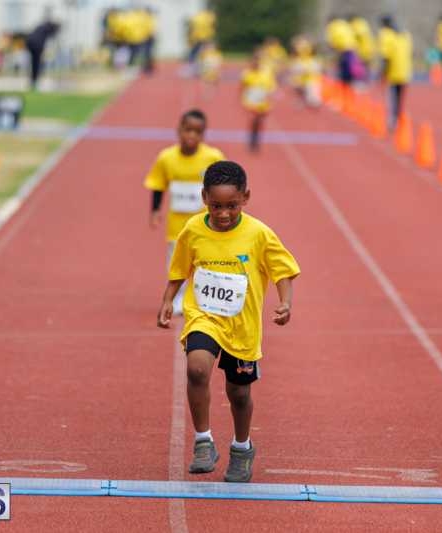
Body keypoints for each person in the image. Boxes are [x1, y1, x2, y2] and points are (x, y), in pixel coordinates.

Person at [157, 160, 300, 483]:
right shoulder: (193, 229)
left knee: (239, 394)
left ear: (245, 198)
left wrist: (286, 302)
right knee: (196, 368)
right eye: (216, 205)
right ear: (204, 196)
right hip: (204, 317)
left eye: (231, 206)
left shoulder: (258, 233)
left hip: (242, 326)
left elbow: (283, 270)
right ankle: (203, 441)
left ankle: (241, 447)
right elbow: (179, 269)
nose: (223, 214)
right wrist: (167, 300)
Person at [144, 110, 226, 315]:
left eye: (197, 132)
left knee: (206, 260)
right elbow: (158, 184)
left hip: (205, 224)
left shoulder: (212, 157)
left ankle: (205, 298)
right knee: (177, 263)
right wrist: (155, 210)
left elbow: (224, 185)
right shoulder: (166, 158)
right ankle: (179, 298)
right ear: (179, 130)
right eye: (187, 130)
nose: (191, 135)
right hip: (177, 225)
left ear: (203, 134)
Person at [378, 15, 413, 130]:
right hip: (405, 71)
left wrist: (382, 73)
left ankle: (393, 121)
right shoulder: (405, 35)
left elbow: (386, 57)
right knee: (399, 98)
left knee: (392, 98)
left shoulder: (386, 35)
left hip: (393, 72)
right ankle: (399, 118)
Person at [241, 50, 277, 152]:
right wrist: (243, 100)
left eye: (257, 60)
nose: (255, 63)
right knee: (254, 119)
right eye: (254, 60)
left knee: (259, 121)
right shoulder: (247, 73)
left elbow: (271, 87)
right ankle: (253, 140)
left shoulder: (267, 73)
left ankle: (256, 138)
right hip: (251, 101)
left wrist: (269, 98)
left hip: (263, 101)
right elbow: (242, 87)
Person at [26, 17, 60, 90]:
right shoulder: (48, 28)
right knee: (36, 64)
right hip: (36, 45)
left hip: (30, 44)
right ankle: (34, 80)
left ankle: (33, 80)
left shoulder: (41, 27)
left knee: (35, 63)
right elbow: (51, 38)